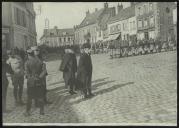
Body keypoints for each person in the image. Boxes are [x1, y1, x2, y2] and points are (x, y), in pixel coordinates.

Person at [24, 48, 45, 116]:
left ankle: (28, 112)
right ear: (33, 54)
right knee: (40, 96)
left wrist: (32, 78)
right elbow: (44, 71)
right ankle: (41, 111)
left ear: (28, 55)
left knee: (29, 97)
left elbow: (27, 73)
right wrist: (39, 77)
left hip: (31, 83)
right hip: (39, 81)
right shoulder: (40, 61)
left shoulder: (27, 62)